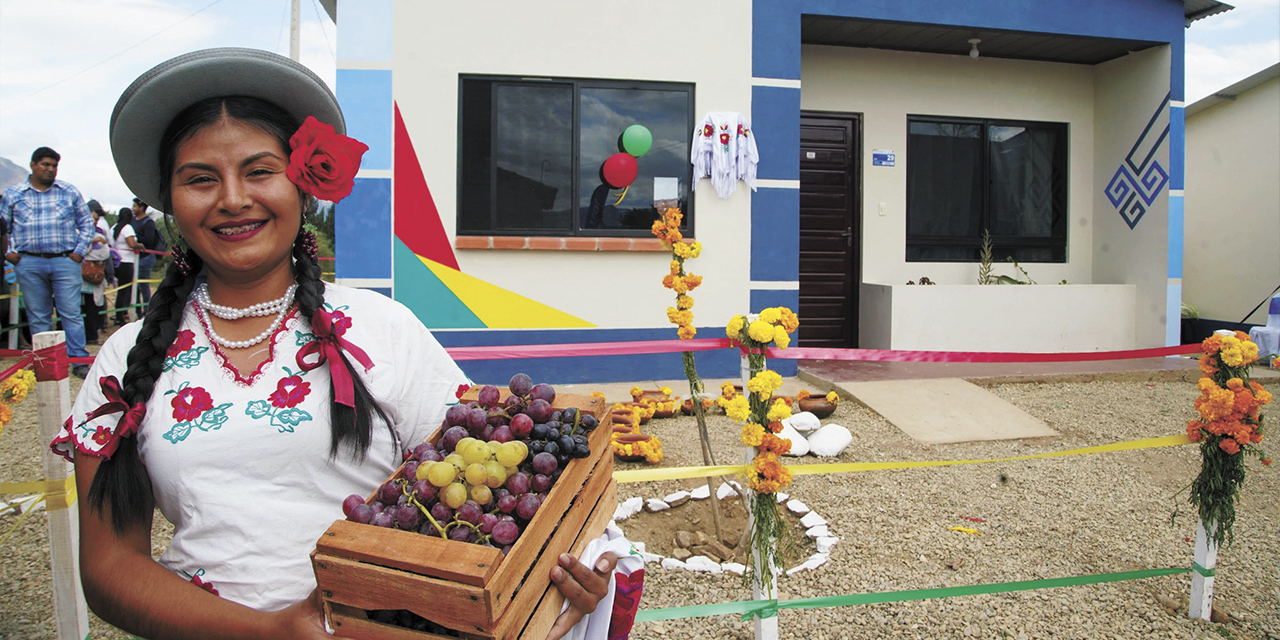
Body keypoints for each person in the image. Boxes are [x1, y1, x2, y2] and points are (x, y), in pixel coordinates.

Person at [52, 48, 619, 640]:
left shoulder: (383, 329)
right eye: (200, 179)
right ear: (171, 202)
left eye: (259, 170)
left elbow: (505, 486)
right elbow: (111, 567)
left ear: (304, 183)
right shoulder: (126, 356)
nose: (233, 198)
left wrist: (561, 568)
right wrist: (273, 632)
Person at [0, 147, 94, 377]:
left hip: (65, 261)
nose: (50, 169)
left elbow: (87, 224)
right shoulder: (14, 193)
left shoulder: (69, 191)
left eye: (54, 165)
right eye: (45, 164)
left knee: (70, 313)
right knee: (38, 315)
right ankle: (45, 363)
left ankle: (78, 361)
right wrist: (9, 253)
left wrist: (78, 253)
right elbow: (3, 226)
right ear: (33, 165)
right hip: (29, 262)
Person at [80, 200, 113, 345]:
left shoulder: (100, 235)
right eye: (90, 219)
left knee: (93, 307)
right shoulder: (78, 234)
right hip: (78, 278)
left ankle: (92, 336)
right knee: (79, 308)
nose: (93, 222)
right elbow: (81, 253)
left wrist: (88, 253)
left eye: (95, 219)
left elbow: (104, 255)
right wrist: (91, 242)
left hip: (94, 279)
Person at [110, 207, 142, 326]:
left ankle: (121, 315)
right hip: (127, 262)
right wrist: (140, 245)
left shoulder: (114, 227)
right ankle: (125, 316)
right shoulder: (127, 228)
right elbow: (131, 244)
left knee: (123, 290)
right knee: (129, 290)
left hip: (117, 261)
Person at [130, 197, 162, 304]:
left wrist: (134, 237)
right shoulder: (133, 221)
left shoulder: (148, 223)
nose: (132, 208)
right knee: (135, 286)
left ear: (141, 207)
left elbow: (149, 240)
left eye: (134, 206)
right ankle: (137, 309)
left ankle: (147, 308)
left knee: (143, 285)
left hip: (145, 257)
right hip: (135, 257)